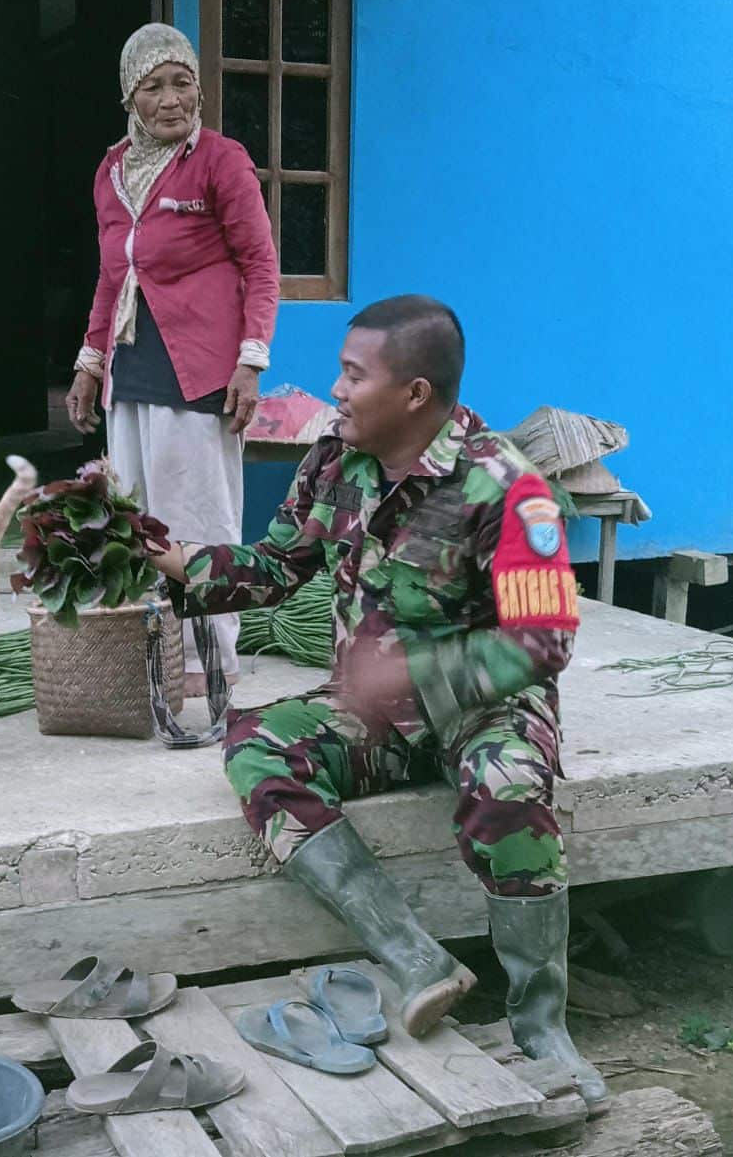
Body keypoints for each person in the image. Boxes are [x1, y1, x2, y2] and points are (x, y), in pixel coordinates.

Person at [150, 294, 607, 1113]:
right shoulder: (334, 461)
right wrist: (176, 559)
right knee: (258, 747)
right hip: (373, 714)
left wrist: (413, 678)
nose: (336, 389)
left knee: (507, 791)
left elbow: (545, 642)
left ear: (416, 394)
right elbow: (272, 567)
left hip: (487, 708)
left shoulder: (512, 487)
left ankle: (543, 1028)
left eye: (354, 375)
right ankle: (415, 959)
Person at [66, 22, 279, 694]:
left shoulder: (220, 160)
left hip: (199, 369)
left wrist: (251, 361)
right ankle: (145, 644)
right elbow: (109, 275)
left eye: (182, 82)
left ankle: (205, 656)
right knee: (137, 516)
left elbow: (260, 263)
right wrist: (90, 359)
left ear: (199, 90)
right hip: (133, 366)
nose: (170, 99)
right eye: (153, 86)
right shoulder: (111, 172)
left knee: (197, 516)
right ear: (130, 96)